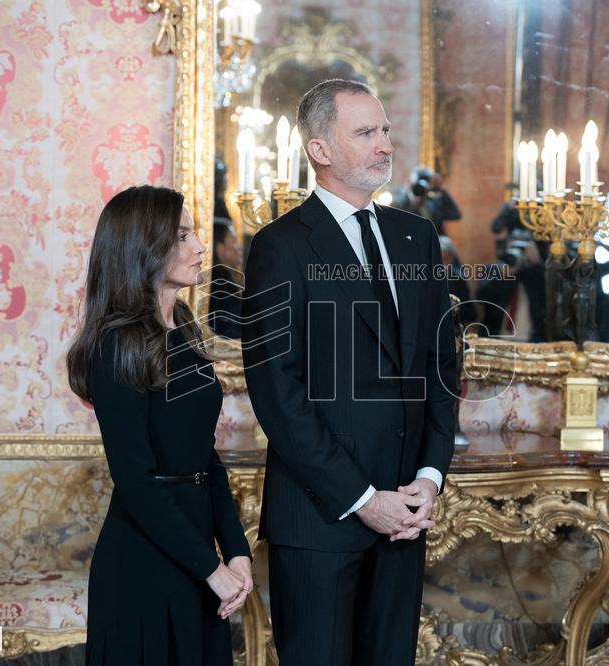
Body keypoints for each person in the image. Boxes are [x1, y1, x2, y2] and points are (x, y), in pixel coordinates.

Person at [241, 79, 457, 666]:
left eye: (385, 130)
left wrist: (430, 476)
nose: (385, 144)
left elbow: (440, 364)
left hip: (406, 517)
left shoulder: (415, 238)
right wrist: (362, 499)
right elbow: (277, 391)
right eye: (365, 132)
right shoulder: (280, 245)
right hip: (319, 520)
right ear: (320, 150)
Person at [67, 185, 253, 665]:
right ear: (142, 249)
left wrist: (235, 551)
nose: (199, 247)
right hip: (144, 561)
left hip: (196, 553)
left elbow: (203, 456)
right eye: (183, 236)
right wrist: (211, 567)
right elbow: (135, 481)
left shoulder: (186, 329)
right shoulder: (117, 346)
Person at [391, 166, 462, 235]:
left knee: (445, 242)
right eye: (418, 182)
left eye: (427, 180)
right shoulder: (402, 201)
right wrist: (414, 205)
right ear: (412, 184)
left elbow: (456, 215)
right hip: (410, 239)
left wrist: (442, 189)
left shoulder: (435, 202)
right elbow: (394, 219)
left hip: (433, 241)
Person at [208, 217, 243, 339]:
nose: (238, 248)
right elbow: (227, 327)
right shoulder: (216, 283)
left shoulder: (224, 277)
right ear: (219, 248)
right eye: (233, 241)